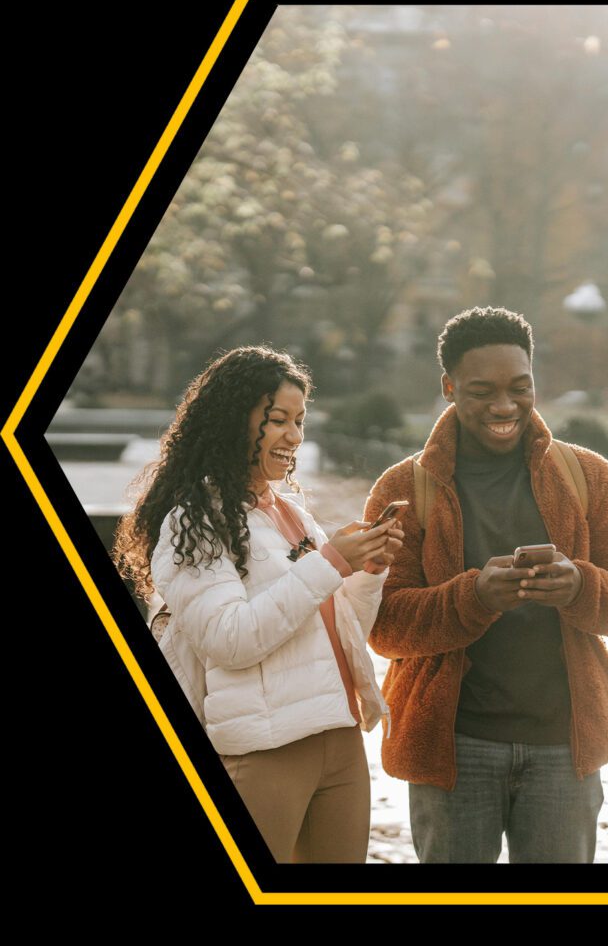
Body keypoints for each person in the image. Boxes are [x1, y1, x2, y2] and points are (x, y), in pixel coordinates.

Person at [364, 307, 608, 863]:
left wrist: (580, 587)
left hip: (565, 747)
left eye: (520, 388)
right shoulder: (404, 488)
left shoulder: (588, 475)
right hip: (453, 747)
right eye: (482, 391)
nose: (505, 406)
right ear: (448, 387)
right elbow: (383, 625)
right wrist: (471, 599)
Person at [114, 345, 402, 863]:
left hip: (339, 740)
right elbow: (231, 640)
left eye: (300, 420)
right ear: (232, 422)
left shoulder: (290, 514)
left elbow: (340, 631)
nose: (294, 435)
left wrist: (368, 573)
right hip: (265, 751)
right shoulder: (194, 521)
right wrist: (332, 561)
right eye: (277, 420)